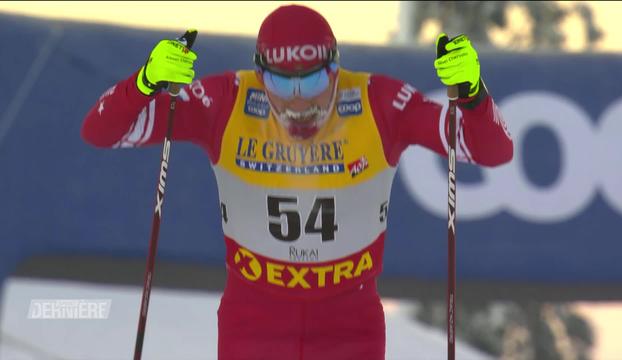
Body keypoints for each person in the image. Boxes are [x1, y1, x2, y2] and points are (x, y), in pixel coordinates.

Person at [81, 4, 513, 360]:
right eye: (279, 82)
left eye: (312, 79)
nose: (298, 99)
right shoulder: (225, 101)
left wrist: (473, 93)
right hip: (252, 328)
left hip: (350, 331)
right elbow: (100, 132)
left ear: (335, 68)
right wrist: (145, 82)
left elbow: (493, 150)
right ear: (259, 73)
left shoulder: (379, 102)